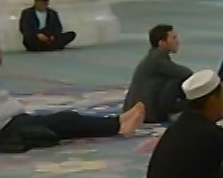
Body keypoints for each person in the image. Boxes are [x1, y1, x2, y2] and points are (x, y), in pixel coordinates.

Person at [0, 50, 145, 149]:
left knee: (64, 121)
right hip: (8, 127)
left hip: (13, 120)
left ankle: (118, 121)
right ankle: (117, 126)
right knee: (66, 120)